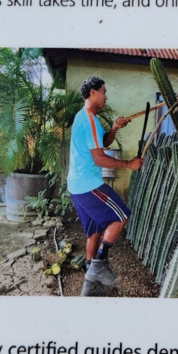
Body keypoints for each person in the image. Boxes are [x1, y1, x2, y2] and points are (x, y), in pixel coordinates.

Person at [68, 75, 143, 297]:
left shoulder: (86, 118)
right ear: (93, 92)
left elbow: (104, 142)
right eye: (104, 91)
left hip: (77, 185)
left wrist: (114, 127)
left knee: (94, 232)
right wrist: (129, 164)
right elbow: (100, 158)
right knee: (121, 216)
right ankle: (99, 266)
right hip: (88, 184)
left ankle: (90, 286)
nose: (106, 96)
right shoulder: (89, 120)